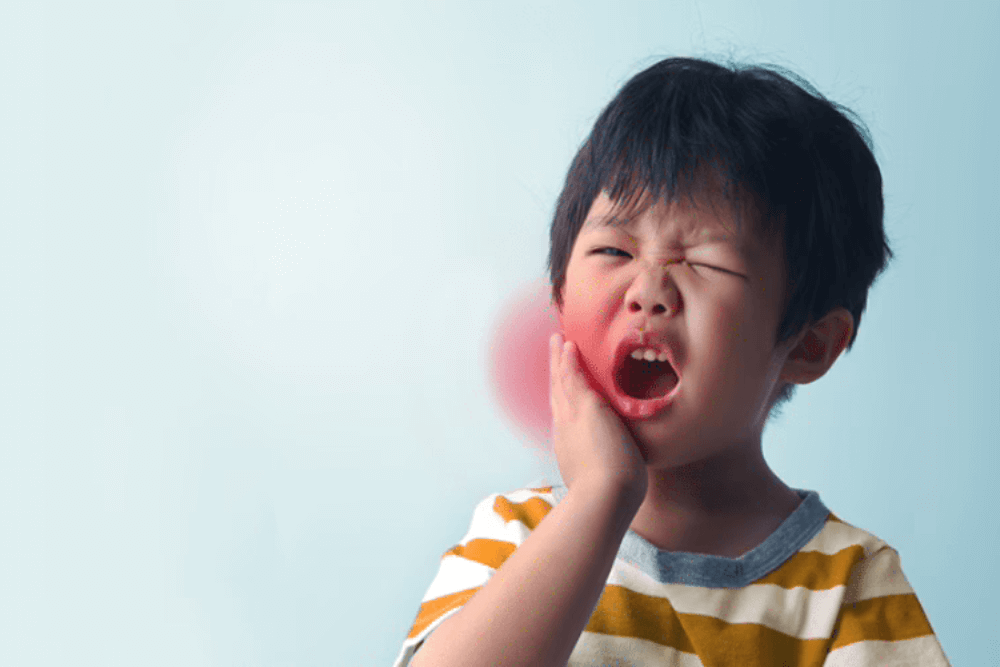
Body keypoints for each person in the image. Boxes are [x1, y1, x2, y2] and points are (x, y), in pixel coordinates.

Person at [393, 56, 951, 666]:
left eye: (706, 262)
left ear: (808, 344)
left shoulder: (851, 586)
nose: (648, 290)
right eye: (613, 250)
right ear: (560, 298)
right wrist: (601, 496)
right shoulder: (516, 536)